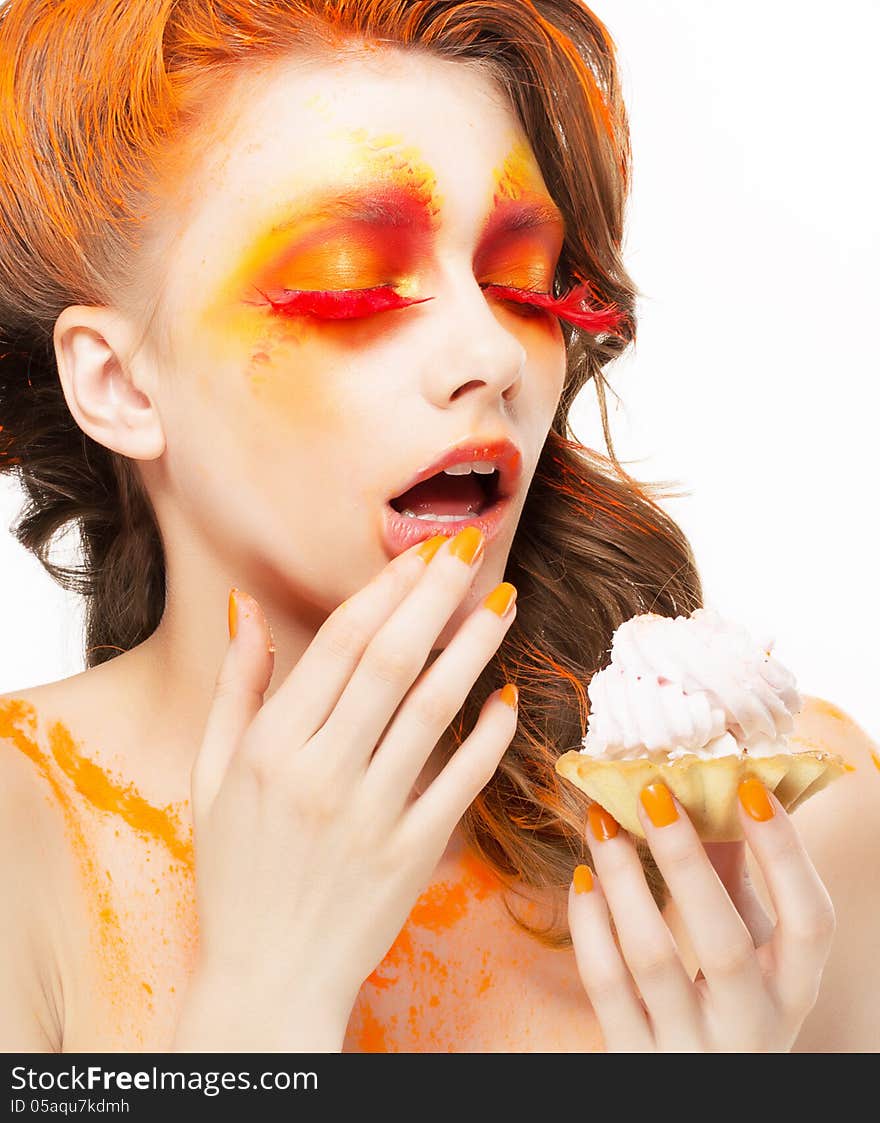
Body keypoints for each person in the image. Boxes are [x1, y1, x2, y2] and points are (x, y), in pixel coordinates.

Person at [0, 0, 876, 1054]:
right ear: (120, 383)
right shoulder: (27, 841)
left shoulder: (774, 828)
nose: (494, 355)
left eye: (520, 280)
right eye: (354, 284)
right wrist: (261, 998)